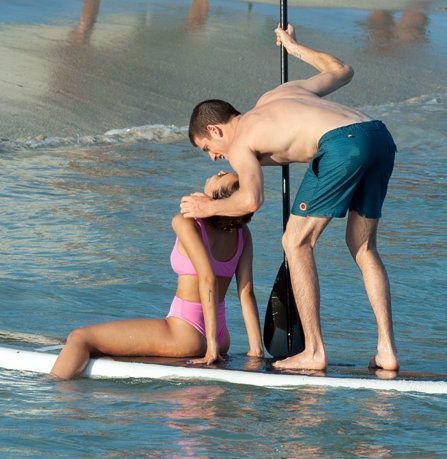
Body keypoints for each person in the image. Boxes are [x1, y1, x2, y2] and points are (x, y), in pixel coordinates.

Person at [180, 25, 399, 372]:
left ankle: (314, 351)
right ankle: (386, 350)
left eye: (208, 148)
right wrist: (294, 48)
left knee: (295, 242)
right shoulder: (277, 96)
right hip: (379, 136)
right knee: (363, 247)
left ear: (215, 130)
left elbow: (252, 200)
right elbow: (342, 71)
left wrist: (207, 207)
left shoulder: (239, 143)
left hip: (342, 145)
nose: (213, 157)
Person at [50, 172, 263, 380]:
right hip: (222, 335)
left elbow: (208, 279)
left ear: (219, 198)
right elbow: (246, 293)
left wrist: (211, 350)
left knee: (80, 338)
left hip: (186, 332)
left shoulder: (187, 223)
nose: (221, 170)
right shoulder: (242, 234)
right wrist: (256, 353)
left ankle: (50, 393)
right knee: (92, 340)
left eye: (222, 177)